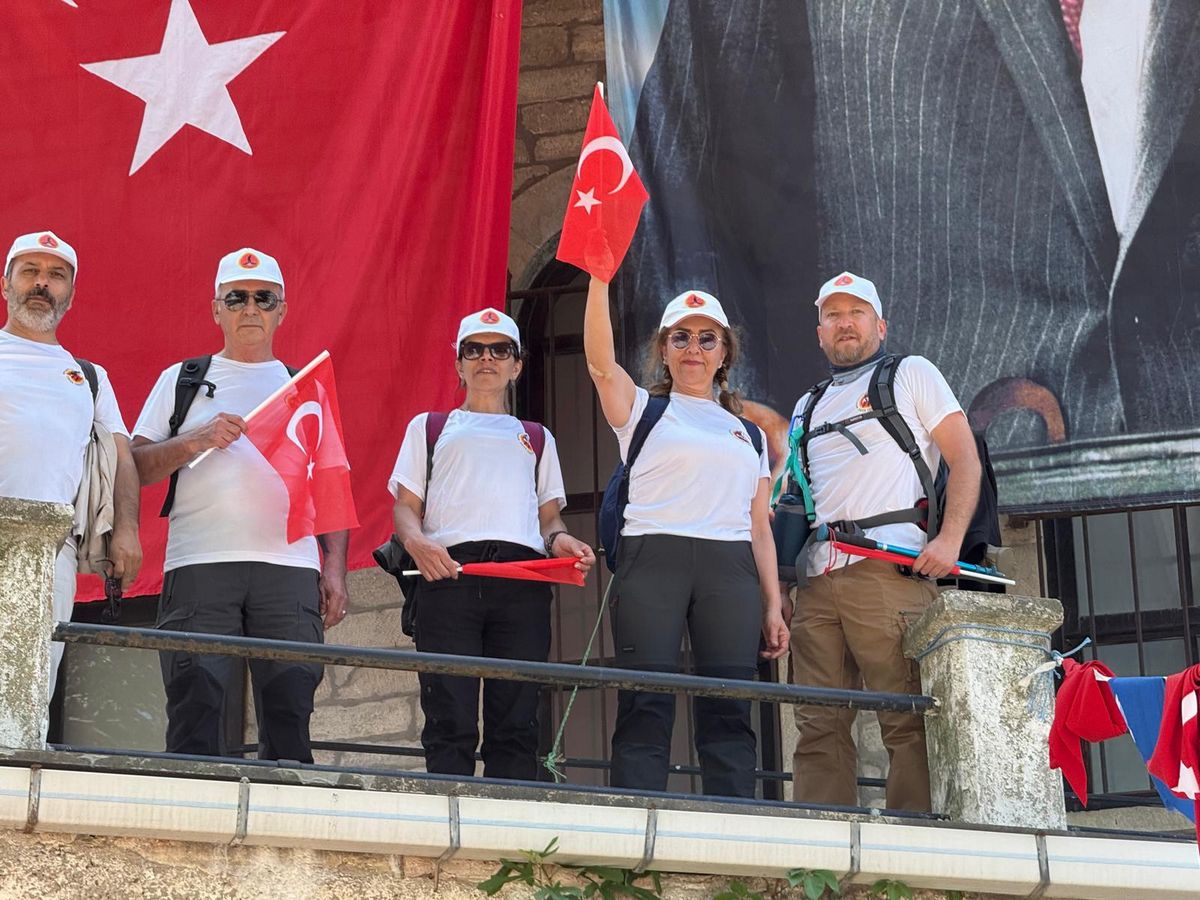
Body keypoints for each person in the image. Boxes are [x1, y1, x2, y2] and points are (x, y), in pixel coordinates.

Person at [131, 248, 349, 762]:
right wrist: (194, 440)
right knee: (195, 699)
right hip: (201, 563)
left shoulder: (305, 387)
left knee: (291, 706)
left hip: (290, 566)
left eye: (262, 297)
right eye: (237, 297)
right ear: (217, 309)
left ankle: (289, 827)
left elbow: (332, 482)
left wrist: (335, 567)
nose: (250, 307)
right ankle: (188, 826)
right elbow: (135, 466)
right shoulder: (182, 379)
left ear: (281, 310)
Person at [583, 261, 789, 799]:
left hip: (731, 568)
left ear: (724, 353)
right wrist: (599, 279)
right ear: (664, 348)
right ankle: (638, 818)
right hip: (654, 559)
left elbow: (759, 527)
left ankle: (735, 824)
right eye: (681, 337)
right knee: (646, 699)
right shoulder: (644, 410)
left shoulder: (748, 431)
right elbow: (601, 365)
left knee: (729, 703)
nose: (693, 348)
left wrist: (772, 603)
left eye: (706, 338)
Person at [785, 272, 981, 812]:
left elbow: (965, 459)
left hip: (887, 570)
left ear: (880, 323)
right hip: (817, 581)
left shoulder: (911, 373)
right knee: (818, 723)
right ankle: (822, 857)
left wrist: (949, 540)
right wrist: (781, 585)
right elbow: (794, 501)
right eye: (833, 314)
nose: (844, 323)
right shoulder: (807, 404)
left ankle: (912, 857)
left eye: (856, 312)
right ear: (820, 330)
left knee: (906, 719)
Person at [390, 307, 595, 780]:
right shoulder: (429, 427)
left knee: (517, 715)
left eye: (499, 349)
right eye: (474, 350)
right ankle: (447, 819)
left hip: (521, 580)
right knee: (449, 710)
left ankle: (512, 824)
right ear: (458, 364)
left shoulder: (536, 437)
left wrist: (562, 542)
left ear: (516, 364)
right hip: (447, 574)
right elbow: (405, 506)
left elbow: (548, 519)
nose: (487, 358)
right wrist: (417, 543)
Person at [0, 230, 141, 704]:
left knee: (31, 694)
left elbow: (122, 457)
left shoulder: (89, 377)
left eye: (56, 276)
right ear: (6, 285)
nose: (42, 284)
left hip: (50, 551)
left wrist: (127, 529)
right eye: (30, 272)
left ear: (71, 295)